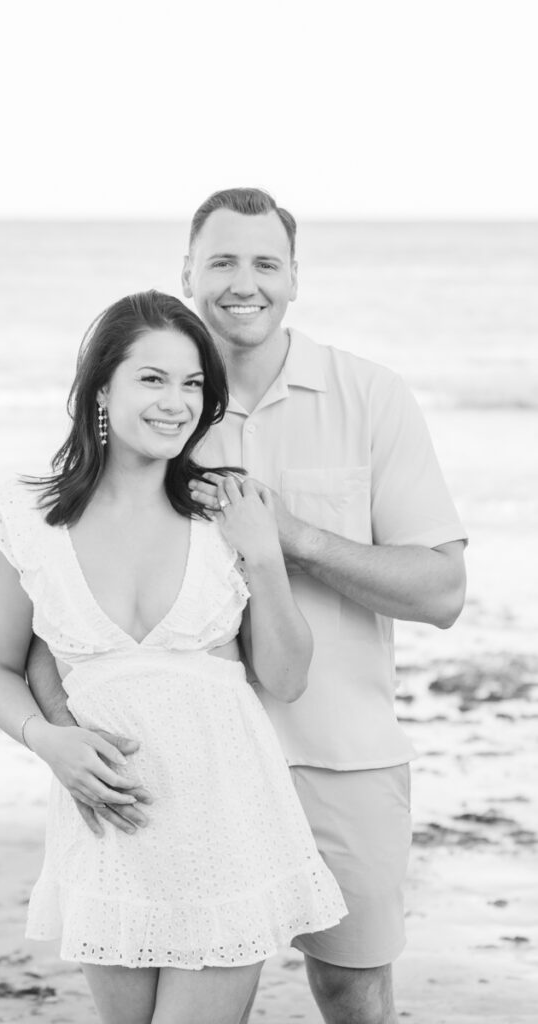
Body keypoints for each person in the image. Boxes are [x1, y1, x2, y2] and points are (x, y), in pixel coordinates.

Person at [27, 190, 468, 1024]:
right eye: (222, 260)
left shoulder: (370, 396)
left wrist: (294, 538)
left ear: (296, 278)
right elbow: (63, 604)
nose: (244, 282)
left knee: (350, 985)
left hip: (338, 753)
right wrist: (61, 735)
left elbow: (442, 592)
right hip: (183, 770)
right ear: (187, 271)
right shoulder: (161, 407)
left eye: (266, 262)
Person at [0, 289, 347, 1024]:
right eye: (153, 378)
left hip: (226, 824)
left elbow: (286, 676)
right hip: (111, 826)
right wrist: (49, 741)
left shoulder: (225, 512)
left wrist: (266, 554)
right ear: (101, 390)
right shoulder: (27, 517)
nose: (176, 403)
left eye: (193, 384)